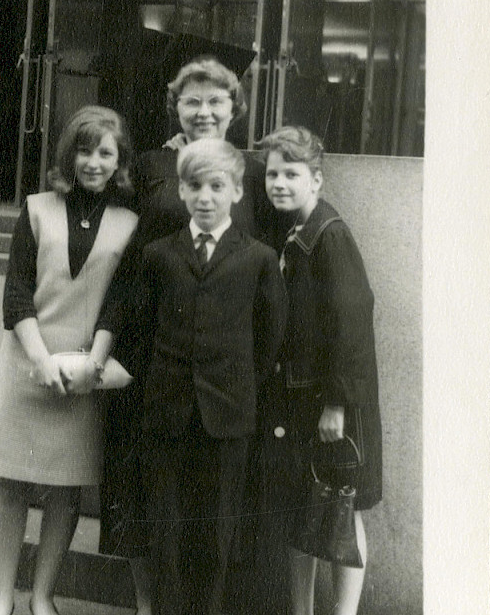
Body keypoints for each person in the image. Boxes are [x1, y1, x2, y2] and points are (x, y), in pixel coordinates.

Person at [99, 56, 270, 615]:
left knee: (216, 511)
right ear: (176, 107)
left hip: (225, 369)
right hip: (159, 360)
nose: (203, 111)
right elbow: (120, 256)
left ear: (233, 107)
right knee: (158, 503)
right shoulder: (152, 165)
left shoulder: (257, 172)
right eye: (192, 101)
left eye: (215, 100)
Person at [0, 106, 138, 615]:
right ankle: (2, 597)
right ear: (69, 155)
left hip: (86, 370)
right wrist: (40, 358)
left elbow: (119, 301)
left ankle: (43, 597)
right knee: (11, 482)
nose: (93, 162)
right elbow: (16, 292)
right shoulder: (36, 207)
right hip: (27, 359)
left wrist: (96, 362)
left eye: (104, 153)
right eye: (84, 151)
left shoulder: (130, 222)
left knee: (65, 489)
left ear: (119, 161)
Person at [132, 137, 286, 615]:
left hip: (228, 415)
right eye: (195, 186)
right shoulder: (158, 254)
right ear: (180, 191)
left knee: (217, 532)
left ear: (237, 192)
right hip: (168, 413)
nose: (205, 197)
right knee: (169, 530)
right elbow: (141, 330)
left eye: (217, 186)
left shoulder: (258, 258)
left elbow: (269, 337)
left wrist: (236, 386)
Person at [257, 126, 383, 615]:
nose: (280, 183)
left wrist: (336, 404)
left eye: (292, 173)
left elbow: (353, 323)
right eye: (273, 174)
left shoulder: (329, 236)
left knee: (341, 510)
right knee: (300, 510)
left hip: (333, 404)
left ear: (317, 180)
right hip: (298, 397)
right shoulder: (293, 234)